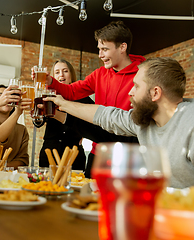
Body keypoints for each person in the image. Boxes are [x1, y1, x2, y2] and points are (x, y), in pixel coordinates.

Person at [45, 57, 194, 190]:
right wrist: (63, 103)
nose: (130, 92)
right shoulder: (146, 121)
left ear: (155, 93)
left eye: (136, 86)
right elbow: (107, 116)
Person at [35, 21, 144, 177]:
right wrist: (51, 82)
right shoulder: (99, 74)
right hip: (98, 153)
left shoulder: (143, 73)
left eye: (105, 49)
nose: (100, 55)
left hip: (127, 156)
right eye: (99, 49)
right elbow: (72, 91)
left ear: (122, 47)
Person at [37, 60, 94, 171]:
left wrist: (85, 133)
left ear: (71, 74)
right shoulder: (49, 96)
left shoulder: (83, 98)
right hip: (49, 154)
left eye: (65, 71)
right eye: (57, 72)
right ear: (53, 77)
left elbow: (94, 122)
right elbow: (39, 123)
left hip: (74, 156)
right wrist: (36, 114)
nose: (61, 75)